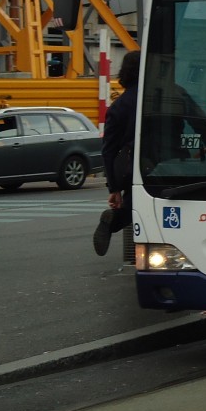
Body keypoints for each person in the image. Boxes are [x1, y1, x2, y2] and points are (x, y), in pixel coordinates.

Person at [93, 51, 140, 257]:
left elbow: (109, 149)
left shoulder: (119, 106)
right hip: (169, 162)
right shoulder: (169, 95)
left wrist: (114, 188)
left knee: (135, 203)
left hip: (131, 168)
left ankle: (115, 219)